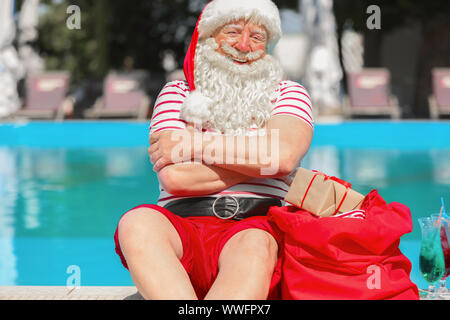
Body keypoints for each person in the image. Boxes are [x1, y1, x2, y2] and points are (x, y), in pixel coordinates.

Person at [114, 0, 314, 300]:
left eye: (257, 36)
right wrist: (259, 161)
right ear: (209, 36)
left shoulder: (288, 93)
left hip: (254, 227)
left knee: (255, 245)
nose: (244, 46)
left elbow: (282, 157)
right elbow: (177, 178)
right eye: (233, 32)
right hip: (182, 227)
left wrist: (194, 145)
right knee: (136, 223)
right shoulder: (177, 93)